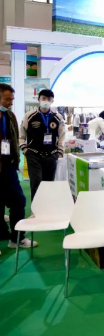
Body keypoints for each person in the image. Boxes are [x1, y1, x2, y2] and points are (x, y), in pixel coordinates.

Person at [0, 84, 34, 251]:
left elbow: (13, 139)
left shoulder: (10, 115)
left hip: (9, 166)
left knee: (18, 201)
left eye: (12, 99)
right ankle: (10, 236)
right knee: (16, 201)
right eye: (7, 99)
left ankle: (16, 238)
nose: (11, 102)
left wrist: (16, 160)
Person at [19, 89, 66, 201]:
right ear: (38, 99)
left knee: (49, 185)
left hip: (51, 155)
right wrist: (24, 148)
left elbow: (62, 135)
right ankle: (35, 210)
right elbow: (21, 135)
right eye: (44, 98)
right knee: (36, 183)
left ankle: (47, 208)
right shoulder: (29, 116)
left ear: (52, 101)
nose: (46, 101)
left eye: (49, 99)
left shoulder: (58, 117)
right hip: (34, 155)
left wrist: (60, 151)